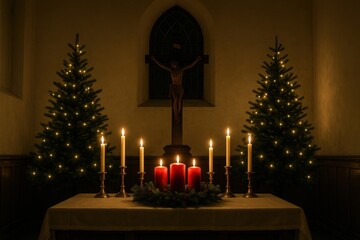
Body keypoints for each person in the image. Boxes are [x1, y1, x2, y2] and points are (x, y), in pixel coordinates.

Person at [151, 55, 201, 122]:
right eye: (172, 64)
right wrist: (155, 60)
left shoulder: (181, 69)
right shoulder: (171, 70)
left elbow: (190, 66)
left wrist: (196, 60)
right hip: (174, 87)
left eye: (174, 64)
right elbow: (162, 66)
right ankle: (176, 115)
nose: (173, 65)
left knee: (179, 100)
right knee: (175, 100)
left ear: (177, 64)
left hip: (180, 87)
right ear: (171, 65)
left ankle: (178, 114)